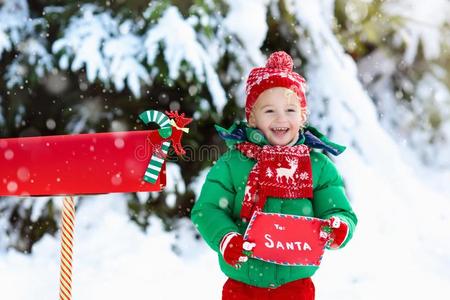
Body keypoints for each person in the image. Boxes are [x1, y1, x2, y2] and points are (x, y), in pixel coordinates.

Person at [191, 51, 357, 300]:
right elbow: (208, 209)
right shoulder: (234, 162)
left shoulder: (317, 166)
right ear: (252, 117)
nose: (281, 118)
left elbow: (339, 209)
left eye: (290, 110)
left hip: (295, 285)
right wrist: (226, 238)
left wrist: (339, 226)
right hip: (243, 282)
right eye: (269, 111)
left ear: (302, 116)